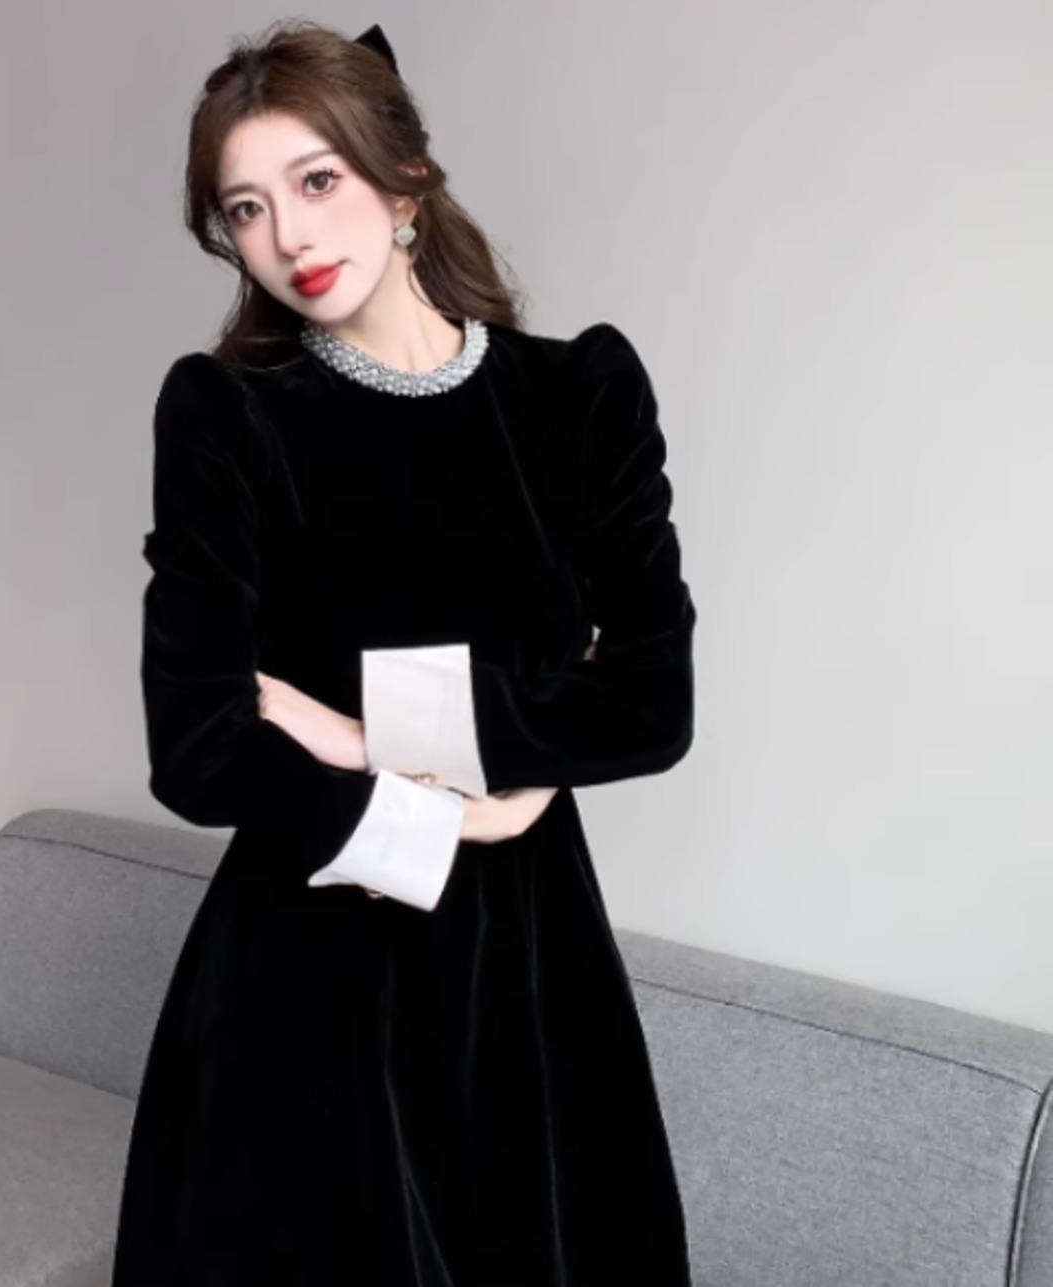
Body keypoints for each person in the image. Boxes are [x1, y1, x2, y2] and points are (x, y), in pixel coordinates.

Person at [110, 18, 698, 1286]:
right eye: (246, 209)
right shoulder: (226, 415)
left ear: (404, 181)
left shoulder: (580, 397)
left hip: (533, 983)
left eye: (317, 181)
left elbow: (650, 706)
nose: (289, 236)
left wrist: (355, 730)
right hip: (306, 975)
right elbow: (198, 749)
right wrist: (462, 815)